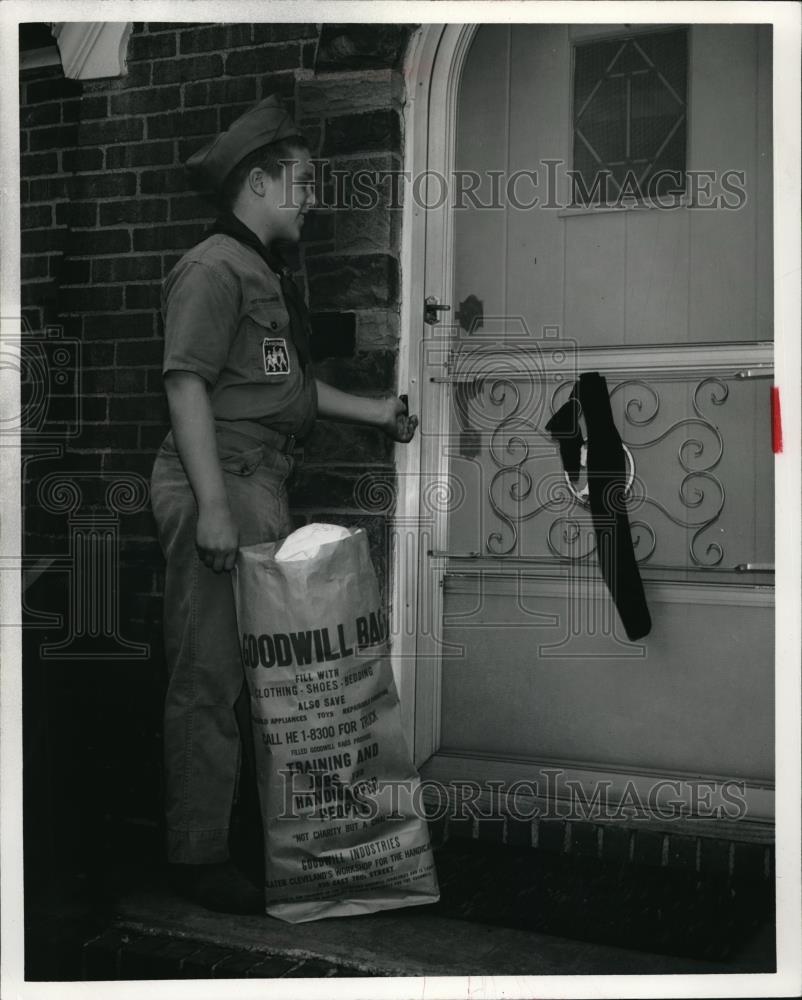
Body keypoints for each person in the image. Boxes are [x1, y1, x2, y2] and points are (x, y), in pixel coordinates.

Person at [149, 95, 417, 914]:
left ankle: (244, 842)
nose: (309, 197)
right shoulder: (213, 268)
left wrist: (378, 413)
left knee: (253, 679)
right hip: (219, 483)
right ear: (258, 182)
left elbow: (285, 391)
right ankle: (195, 858)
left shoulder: (260, 273)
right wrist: (214, 507)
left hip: (256, 482)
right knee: (208, 677)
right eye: (299, 182)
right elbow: (186, 382)